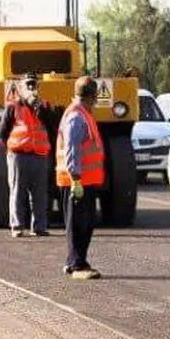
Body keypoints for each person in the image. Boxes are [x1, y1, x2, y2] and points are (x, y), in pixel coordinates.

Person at [56, 76, 105, 280]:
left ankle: (78, 261)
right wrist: (75, 177)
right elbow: (72, 149)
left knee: (86, 223)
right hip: (77, 181)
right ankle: (75, 264)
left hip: (86, 180)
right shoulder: (77, 117)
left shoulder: (83, 114)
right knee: (78, 223)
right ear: (93, 96)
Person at [0, 73, 52, 238]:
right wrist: (12, 147)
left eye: (33, 85)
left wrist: (40, 110)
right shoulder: (13, 107)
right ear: (20, 88)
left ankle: (39, 227)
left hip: (40, 155)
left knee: (40, 194)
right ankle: (17, 226)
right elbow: (3, 131)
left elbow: (52, 127)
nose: (31, 88)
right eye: (28, 85)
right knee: (17, 191)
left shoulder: (44, 106)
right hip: (18, 156)